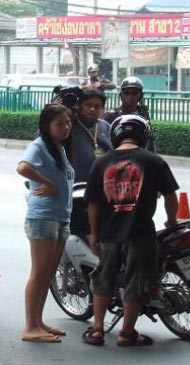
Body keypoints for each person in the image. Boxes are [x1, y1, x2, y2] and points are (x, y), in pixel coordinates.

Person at [82, 115, 179, 347]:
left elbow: (92, 204)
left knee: (103, 278)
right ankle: (127, 333)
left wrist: (94, 234)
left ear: (116, 135)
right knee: (137, 280)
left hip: (108, 232)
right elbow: (170, 196)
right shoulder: (154, 161)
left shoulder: (101, 162)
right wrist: (172, 221)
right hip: (141, 232)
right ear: (144, 135)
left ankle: (97, 330)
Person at [17, 104, 75, 343]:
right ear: (46, 126)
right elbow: (22, 167)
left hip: (60, 216)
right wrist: (46, 183)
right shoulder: (39, 146)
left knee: (49, 273)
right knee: (40, 272)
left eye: (68, 123)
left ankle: (39, 322)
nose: (65, 128)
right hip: (43, 217)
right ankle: (30, 326)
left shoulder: (58, 148)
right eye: (59, 124)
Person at [64, 87, 111, 238]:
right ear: (79, 105)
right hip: (77, 193)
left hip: (104, 192)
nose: (92, 109)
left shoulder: (105, 127)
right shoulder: (69, 125)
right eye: (88, 105)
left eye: (97, 107)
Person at [104, 77, 154, 151]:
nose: (130, 96)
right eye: (127, 93)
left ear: (141, 96)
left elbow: (149, 140)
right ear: (121, 95)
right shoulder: (111, 115)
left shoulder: (144, 114)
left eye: (135, 93)